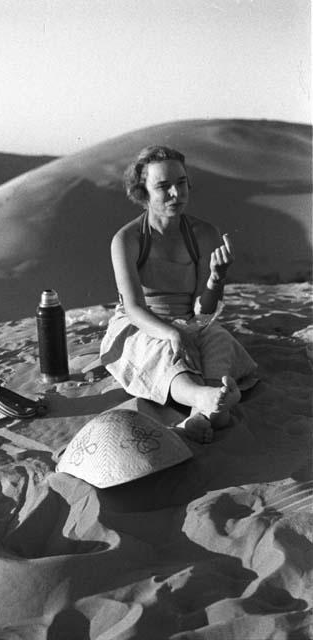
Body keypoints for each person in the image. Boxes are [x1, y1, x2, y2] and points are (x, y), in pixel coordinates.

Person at [100, 146, 258, 444]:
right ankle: (205, 398)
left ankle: (205, 412)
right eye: (163, 186)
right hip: (144, 323)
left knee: (219, 339)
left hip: (190, 320)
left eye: (181, 183)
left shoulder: (204, 234)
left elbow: (204, 310)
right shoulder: (127, 239)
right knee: (164, 352)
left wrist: (215, 278)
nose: (176, 192)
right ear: (142, 192)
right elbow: (133, 308)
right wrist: (171, 332)